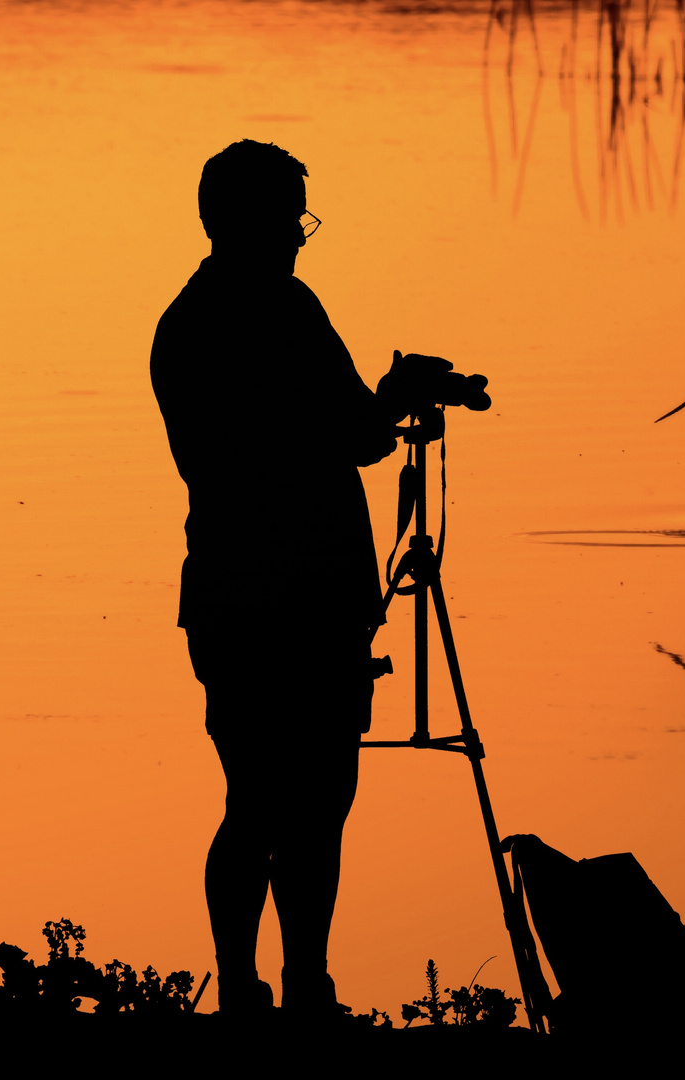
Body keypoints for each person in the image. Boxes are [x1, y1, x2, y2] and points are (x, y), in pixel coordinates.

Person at [150, 139, 417, 1017]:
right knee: (303, 800)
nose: (301, 236)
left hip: (232, 591)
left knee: (266, 798)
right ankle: (294, 984)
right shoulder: (280, 310)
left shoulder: (185, 318)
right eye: (290, 216)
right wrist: (395, 398)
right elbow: (351, 441)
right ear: (245, 218)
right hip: (294, 593)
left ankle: (260, 988)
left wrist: (377, 406)